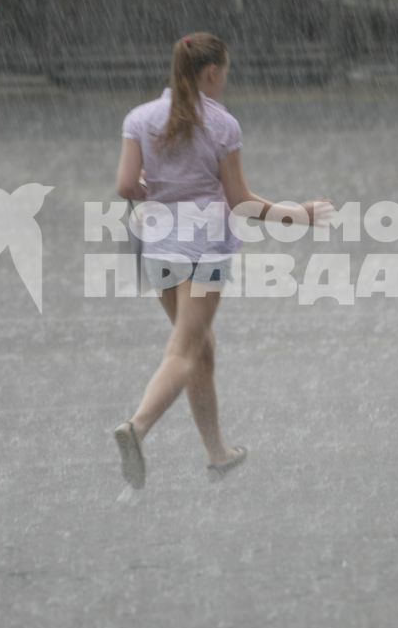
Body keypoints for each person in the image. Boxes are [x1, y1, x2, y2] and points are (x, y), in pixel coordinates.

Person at [110, 33, 332, 492]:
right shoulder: (222, 125)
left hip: (158, 246)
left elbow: (126, 185)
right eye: (225, 72)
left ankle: (218, 454)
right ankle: (137, 427)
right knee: (184, 351)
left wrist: (159, 186)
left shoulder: (140, 118)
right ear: (212, 72)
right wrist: (301, 216)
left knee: (200, 348)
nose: (225, 81)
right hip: (206, 249)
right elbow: (242, 202)